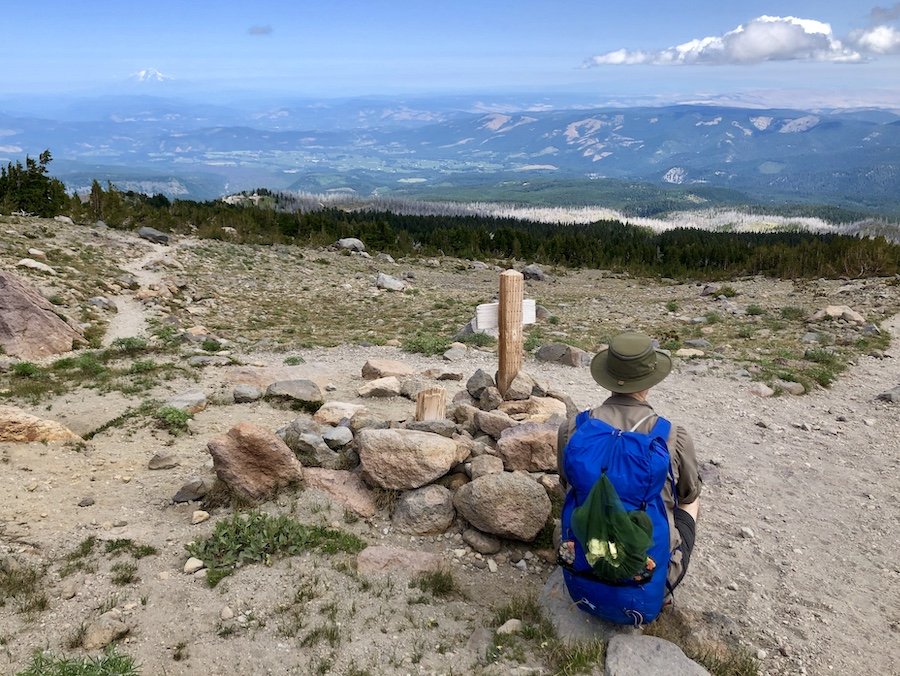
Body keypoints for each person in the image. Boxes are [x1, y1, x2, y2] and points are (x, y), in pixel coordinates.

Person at [557, 332, 702, 597]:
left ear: (607, 376)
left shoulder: (572, 429)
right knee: (691, 500)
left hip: (582, 565)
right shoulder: (673, 436)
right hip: (644, 581)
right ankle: (662, 581)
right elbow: (688, 494)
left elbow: (565, 483)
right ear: (650, 380)